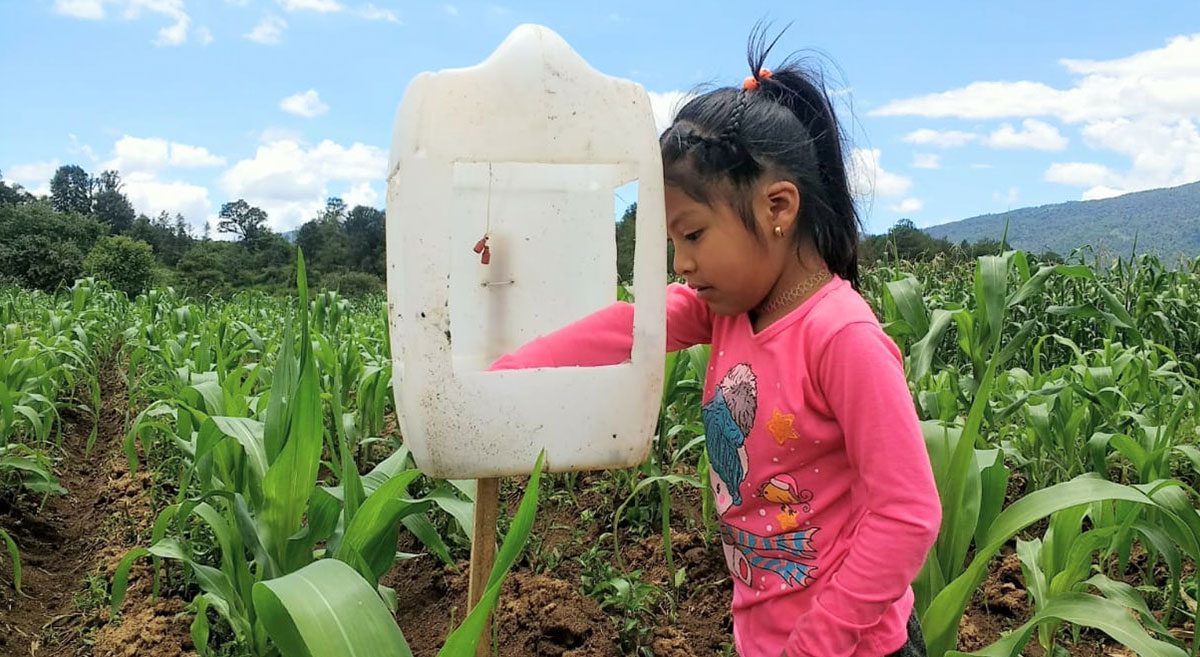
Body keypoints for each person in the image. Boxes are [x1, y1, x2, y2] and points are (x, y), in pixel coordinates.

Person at [491, 29, 942, 657]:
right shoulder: (730, 310)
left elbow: (907, 515)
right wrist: (507, 371)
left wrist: (813, 646)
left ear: (777, 207)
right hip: (765, 634)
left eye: (694, 234)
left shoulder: (842, 338)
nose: (681, 263)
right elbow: (632, 324)